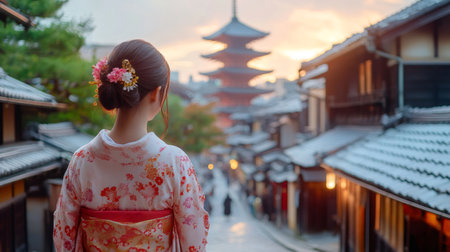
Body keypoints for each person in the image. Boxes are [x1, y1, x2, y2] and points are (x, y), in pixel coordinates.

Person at [53, 40, 209, 251]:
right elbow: (194, 244)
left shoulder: (82, 161)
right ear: (156, 93)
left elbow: (64, 240)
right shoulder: (174, 163)